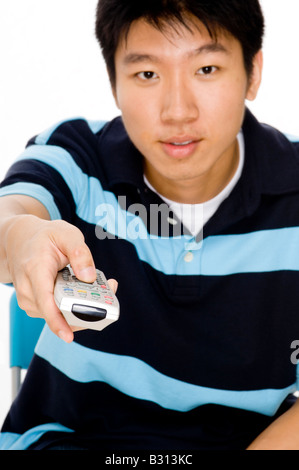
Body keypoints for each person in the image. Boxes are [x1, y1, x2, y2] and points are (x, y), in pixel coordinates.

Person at [0, 0, 299, 451]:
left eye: (207, 69)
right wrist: (22, 240)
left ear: (253, 72)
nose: (177, 111)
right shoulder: (77, 156)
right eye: (147, 74)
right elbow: (14, 212)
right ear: (114, 81)